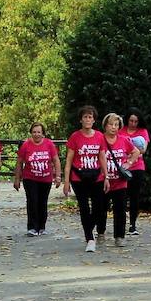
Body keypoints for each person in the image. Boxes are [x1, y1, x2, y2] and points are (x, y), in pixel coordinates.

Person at [62, 105, 106, 252]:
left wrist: (107, 177)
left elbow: (102, 157)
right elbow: (68, 160)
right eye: (85, 117)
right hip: (78, 177)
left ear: (94, 120)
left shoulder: (100, 136)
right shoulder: (75, 137)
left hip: (96, 175)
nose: (88, 119)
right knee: (84, 208)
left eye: (90, 117)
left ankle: (89, 226)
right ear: (81, 120)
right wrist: (66, 181)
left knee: (99, 207)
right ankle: (90, 238)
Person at [100, 112, 141, 247]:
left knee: (120, 209)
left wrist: (128, 163)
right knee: (101, 208)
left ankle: (119, 236)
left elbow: (136, 152)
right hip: (103, 180)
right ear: (105, 126)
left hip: (120, 182)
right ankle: (100, 232)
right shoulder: (100, 139)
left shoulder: (123, 140)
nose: (113, 127)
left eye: (116, 125)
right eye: (111, 124)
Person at [13, 122, 60, 236]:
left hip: (46, 179)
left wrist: (58, 176)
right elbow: (19, 162)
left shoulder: (49, 144)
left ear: (43, 133)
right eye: (34, 132)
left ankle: (42, 227)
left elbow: (56, 160)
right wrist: (17, 179)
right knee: (32, 201)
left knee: (43, 203)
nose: (36, 134)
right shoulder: (26, 145)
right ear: (31, 133)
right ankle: (32, 227)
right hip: (30, 178)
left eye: (39, 132)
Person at [122, 108, 150, 235]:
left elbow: (143, 149)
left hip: (137, 166)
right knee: (121, 195)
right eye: (131, 121)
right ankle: (121, 222)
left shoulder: (142, 131)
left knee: (134, 196)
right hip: (123, 166)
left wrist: (130, 146)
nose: (133, 123)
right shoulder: (121, 131)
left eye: (135, 121)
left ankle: (133, 224)